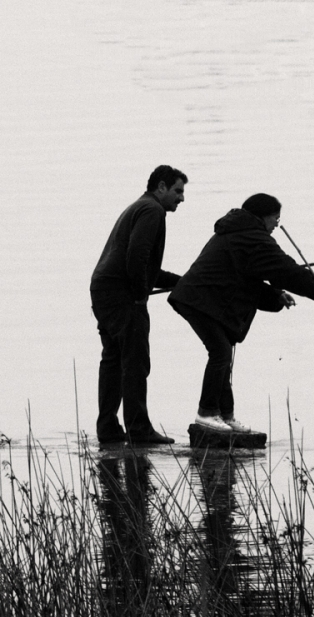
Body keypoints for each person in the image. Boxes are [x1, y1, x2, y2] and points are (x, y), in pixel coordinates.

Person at [168, 193, 314, 433]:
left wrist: (276, 296)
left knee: (223, 351)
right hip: (198, 300)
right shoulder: (252, 236)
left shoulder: (238, 231)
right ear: (263, 216)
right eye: (275, 218)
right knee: (221, 352)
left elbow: (248, 276)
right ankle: (206, 413)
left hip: (203, 299)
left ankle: (225, 416)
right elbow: (283, 267)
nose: (277, 224)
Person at [91, 165, 188, 444]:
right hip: (122, 295)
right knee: (134, 362)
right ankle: (139, 430)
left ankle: (108, 429)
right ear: (161, 187)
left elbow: (144, 267)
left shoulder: (139, 206)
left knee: (112, 360)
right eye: (178, 191)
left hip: (102, 288)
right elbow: (137, 256)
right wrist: (138, 295)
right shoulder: (152, 211)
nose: (181, 198)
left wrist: (180, 281)